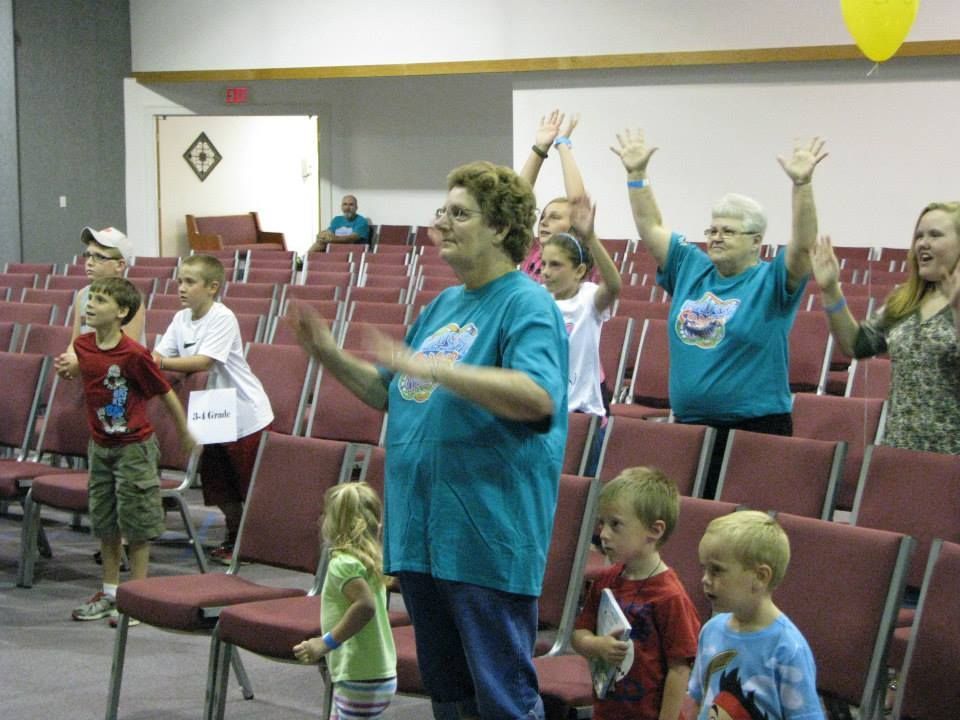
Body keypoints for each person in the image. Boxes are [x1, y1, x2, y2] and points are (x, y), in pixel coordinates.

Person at [290, 160, 568, 720]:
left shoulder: (527, 303)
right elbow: (387, 391)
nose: (441, 223)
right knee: (450, 696)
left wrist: (436, 368)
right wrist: (327, 354)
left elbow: (537, 396)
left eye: (459, 213)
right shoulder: (443, 306)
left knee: (503, 700)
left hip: (484, 537)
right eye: (444, 210)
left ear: (500, 228)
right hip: (421, 536)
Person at [611, 129, 828, 498]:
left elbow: (805, 245)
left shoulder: (771, 281)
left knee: (742, 527)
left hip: (755, 431)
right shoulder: (691, 268)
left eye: (728, 231)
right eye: (712, 229)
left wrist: (802, 185)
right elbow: (651, 227)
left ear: (756, 241)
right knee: (693, 518)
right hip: (691, 427)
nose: (715, 236)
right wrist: (636, 176)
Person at [67, 277, 194, 623]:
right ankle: (110, 593)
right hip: (100, 446)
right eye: (91, 299)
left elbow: (164, 392)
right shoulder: (83, 345)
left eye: (101, 301)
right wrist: (70, 368)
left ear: (121, 312)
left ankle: (137, 599)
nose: (90, 305)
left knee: (136, 524)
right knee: (105, 521)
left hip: (134, 448)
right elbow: (85, 368)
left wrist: (184, 431)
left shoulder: (135, 354)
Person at [810, 203, 960, 454]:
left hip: (952, 459)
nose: (922, 244)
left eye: (935, 235)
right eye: (919, 236)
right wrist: (830, 289)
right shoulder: (906, 299)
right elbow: (856, 344)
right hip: (899, 450)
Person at [152, 255, 273, 565]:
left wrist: (159, 362)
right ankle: (235, 537)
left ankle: (257, 542)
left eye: (190, 282)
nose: (181, 288)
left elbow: (204, 361)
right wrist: (153, 361)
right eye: (180, 281)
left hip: (244, 413)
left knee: (246, 485)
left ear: (212, 287)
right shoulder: (181, 319)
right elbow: (159, 354)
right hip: (211, 413)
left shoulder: (222, 317)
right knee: (219, 486)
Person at [572, 467, 701, 720]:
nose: (603, 534)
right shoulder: (606, 580)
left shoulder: (670, 596)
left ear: (654, 530)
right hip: (607, 712)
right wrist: (597, 645)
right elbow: (579, 635)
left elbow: (679, 670)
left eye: (616, 524)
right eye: (602, 523)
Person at [690, 510, 823, 720]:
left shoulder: (787, 648)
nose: (705, 579)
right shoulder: (711, 631)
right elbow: (696, 699)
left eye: (716, 570)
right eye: (704, 569)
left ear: (760, 577)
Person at [293, 482, 397, 719]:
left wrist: (325, 643)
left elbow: (365, 607)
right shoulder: (369, 561)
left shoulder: (343, 565)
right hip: (376, 670)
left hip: (358, 673)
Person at [540, 195, 621, 473]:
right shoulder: (536, 299)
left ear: (580, 271)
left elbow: (614, 285)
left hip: (581, 415)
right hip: (543, 413)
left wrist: (591, 237)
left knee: (577, 488)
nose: (546, 272)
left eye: (556, 265)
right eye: (544, 264)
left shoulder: (588, 299)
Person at [55, 226, 146, 381]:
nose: (90, 262)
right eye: (88, 255)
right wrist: (69, 360)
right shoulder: (83, 295)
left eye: (99, 257)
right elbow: (75, 342)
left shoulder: (130, 300)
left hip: (122, 382)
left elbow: (127, 355)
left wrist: (81, 364)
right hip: (92, 378)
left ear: (120, 265)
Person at [519, 110, 588, 282]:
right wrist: (540, 149)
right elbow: (518, 198)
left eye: (555, 217)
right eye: (543, 216)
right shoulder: (531, 253)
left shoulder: (579, 257)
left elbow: (578, 202)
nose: (543, 222)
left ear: (573, 226)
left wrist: (562, 145)